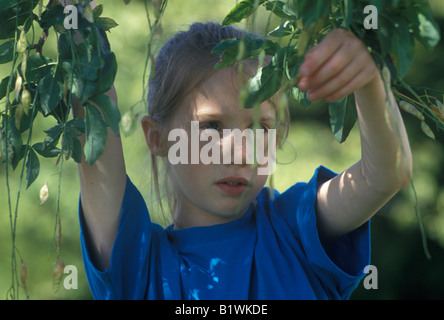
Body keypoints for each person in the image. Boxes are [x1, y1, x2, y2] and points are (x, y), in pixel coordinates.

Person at [73, 18, 412, 299]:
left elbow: (384, 175)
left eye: (258, 128)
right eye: (212, 126)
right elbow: (92, 106)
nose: (239, 151)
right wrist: (75, 21)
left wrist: (368, 77)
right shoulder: (139, 266)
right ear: (158, 138)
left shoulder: (295, 229)